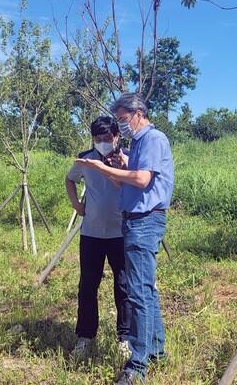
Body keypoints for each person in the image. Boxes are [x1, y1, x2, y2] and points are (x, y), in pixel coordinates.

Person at [75, 93, 174, 385]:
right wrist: (114, 171)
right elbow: (129, 184)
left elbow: (143, 180)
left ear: (138, 114)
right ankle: (156, 352)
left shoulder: (153, 139)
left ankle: (137, 366)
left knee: (138, 294)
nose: (121, 125)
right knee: (146, 291)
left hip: (144, 222)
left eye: (122, 119)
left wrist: (102, 168)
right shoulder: (139, 143)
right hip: (133, 221)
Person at [65, 116, 131, 357]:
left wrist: (117, 169)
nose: (102, 143)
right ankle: (85, 335)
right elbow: (70, 180)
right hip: (91, 233)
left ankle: (125, 337)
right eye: (97, 139)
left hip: (120, 233)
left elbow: (134, 187)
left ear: (117, 137)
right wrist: (77, 206)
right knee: (88, 285)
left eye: (106, 139)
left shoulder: (127, 159)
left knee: (123, 286)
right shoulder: (86, 159)